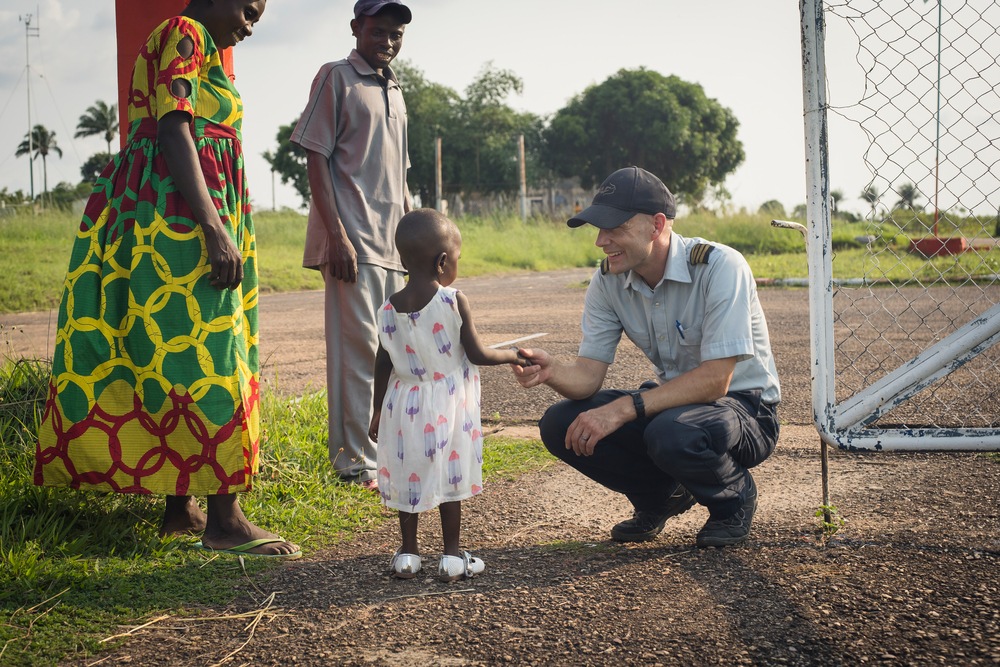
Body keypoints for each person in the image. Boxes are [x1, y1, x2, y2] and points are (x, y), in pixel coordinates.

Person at [34, 0, 300, 559]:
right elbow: (176, 130)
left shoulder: (185, 40)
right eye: (249, 10)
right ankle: (225, 520)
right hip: (181, 225)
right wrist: (212, 227)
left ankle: (180, 509)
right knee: (212, 358)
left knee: (172, 354)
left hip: (165, 216)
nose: (249, 26)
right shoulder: (187, 33)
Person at [513, 166, 781, 548]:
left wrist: (623, 409)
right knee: (561, 423)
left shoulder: (720, 267)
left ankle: (732, 499)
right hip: (675, 407)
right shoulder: (608, 281)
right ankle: (661, 497)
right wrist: (551, 369)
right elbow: (588, 377)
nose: (601, 241)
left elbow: (715, 380)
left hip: (746, 409)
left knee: (670, 431)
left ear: (656, 225)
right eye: (598, 229)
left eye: (615, 228)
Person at [290, 0, 413, 490]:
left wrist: (417, 243)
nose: (388, 41)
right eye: (379, 30)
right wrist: (335, 235)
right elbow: (315, 160)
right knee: (356, 354)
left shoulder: (396, 89)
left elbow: (401, 176)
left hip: (394, 246)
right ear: (356, 28)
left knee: (392, 353)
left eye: (396, 34)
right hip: (352, 243)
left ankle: (384, 453)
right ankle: (353, 462)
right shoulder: (336, 77)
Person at [368, 209, 525, 581]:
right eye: (456, 258)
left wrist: (376, 411)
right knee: (450, 477)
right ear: (442, 262)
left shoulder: (388, 308)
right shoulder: (453, 300)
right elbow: (478, 354)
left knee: (410, 474)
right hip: (448, 404)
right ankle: (452, 557)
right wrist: (514, 355)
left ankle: (408, 555)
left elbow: (382, 362)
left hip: (403, 404)